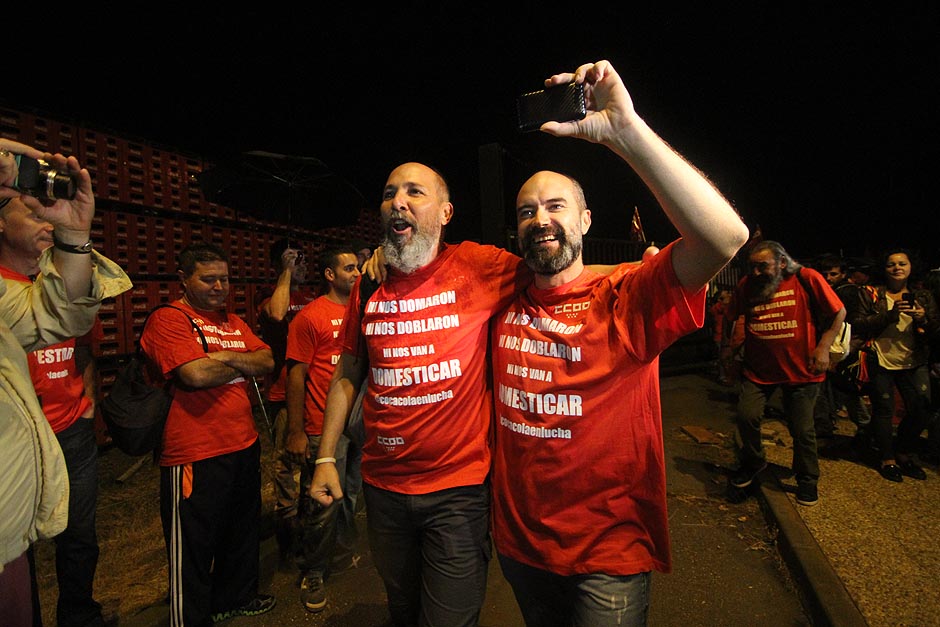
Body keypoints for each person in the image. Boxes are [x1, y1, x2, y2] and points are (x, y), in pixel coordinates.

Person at [486, 60, 749, 626]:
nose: (540, 218)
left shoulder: (626, 292)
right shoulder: (500, 297)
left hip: (608, 555)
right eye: (527, 211)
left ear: (584, 220)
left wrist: (627, 133)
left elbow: (725, 237)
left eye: (556, 206)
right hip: (520, 547)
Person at [310, 158, 530, 624]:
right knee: (403, 608)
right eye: (390, 193)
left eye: (414, 192)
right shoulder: (368, 284)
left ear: (445, 213)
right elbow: (348, 371)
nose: (398, 202)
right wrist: (326, 458)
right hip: (383, 490)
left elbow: (559, 275)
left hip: (457, 493)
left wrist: (642, 269)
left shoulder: (478, 265)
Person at [0, 141, 131, 627]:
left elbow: (70, 325)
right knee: (20, 547)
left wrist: (89, 405)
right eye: (27, 209)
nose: (43, 219)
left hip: (71, 430)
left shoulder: (44, 287)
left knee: (79, 539)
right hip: (20, 445)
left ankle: (78, 614)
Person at [139, 242, 276, 626]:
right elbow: (193, 375)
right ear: (184, 279)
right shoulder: (169, 320)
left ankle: (234, 599)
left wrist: (225, 357)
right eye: (209, 279)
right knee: (193, 546)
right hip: (194, 452)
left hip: (243, 444)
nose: (220, 287)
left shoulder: (232, 322)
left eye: (225, 279)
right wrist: (238, 363)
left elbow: (266, 360)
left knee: (240, 530)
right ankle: (189, 618)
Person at [728, 240, 846, 507]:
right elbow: (734, 316)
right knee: (747, 416)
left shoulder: (806, 278)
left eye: (763, 266)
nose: (756, 273)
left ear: (782, 262)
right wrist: (730, 353)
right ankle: (754, 462)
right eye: (752, 267)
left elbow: (839, 312)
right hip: (758, 370)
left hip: (802, 370)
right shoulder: (747, 286)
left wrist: (824, 348)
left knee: (802, 429)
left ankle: (807, 478)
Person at [283, 246, 361, 612]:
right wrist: (296, 431)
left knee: (350, 496)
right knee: (320, 503)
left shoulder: (363, 312)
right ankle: (312, 570)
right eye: (348, 268)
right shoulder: (310, 318)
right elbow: (295, 376)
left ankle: (342, 554)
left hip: (358, 426)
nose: (356, 273)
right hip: (319, 427)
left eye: (358, 267)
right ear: (329, 275)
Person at [847, 247, 940, 482]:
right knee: (884, 408)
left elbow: (935, 330)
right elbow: (857, 323)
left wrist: (922, 318)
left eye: (902, 264)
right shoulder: (870, 293)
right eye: (891, 264)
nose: (897, 268)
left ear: (911, 268)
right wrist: (889, 314)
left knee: (922, 407)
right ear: (884, 268)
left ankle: (904, 451)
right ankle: (887, 458)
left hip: (914, 360)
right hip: (880, 357)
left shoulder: (923, 296)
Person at [255, 238, 314, 560]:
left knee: (312, 466)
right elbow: (277, 315)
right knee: (287, 467)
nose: (302, 265)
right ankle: (287, 538)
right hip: (282, 393)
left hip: (312, 392)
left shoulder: (310, 297)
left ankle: (309, 529)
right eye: (294, 259)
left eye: (303, 259)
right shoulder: (269, 294)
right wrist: (285, 273)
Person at [812, 253, 872, 444]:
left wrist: (843, 353)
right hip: (832, 348)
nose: (829, 278)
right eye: (826, 274)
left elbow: (854, 326)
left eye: (833, 274)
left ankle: (864, 426)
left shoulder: (847, 293)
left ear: (843, 274)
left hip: (841, 350)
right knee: (835, 389)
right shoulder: (831, 290)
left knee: (845, 389)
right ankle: (830, 426)